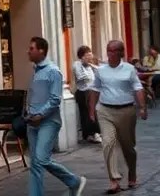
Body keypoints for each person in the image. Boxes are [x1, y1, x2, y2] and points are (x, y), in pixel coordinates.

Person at [25, 36, 87, 196]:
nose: (28, 51)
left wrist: (40, 114)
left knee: (41, 159)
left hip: (48, 122)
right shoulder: (35, 72)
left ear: (41, 51)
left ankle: (74, 181)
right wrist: (28, 113)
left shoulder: (53, 71)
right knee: (35, 164)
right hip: (33, 122)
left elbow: (55, 99)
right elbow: (34, 96)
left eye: (31, 48)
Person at [89, 40, 147, 193]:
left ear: (121, 53)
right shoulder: (101, 70)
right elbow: (94, 90)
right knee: (108, 143)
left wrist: (142, 107)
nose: (111, 54)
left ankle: (132, 174)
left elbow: (138, 87)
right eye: (109, 50)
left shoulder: (129, 69)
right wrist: (92, 110)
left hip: (126, 111)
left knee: (128, 147)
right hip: (105, 110)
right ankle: (114, 180)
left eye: (114, 51)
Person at [72, 45, 102, 143]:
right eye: (87, 55)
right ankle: (92, 133)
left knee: (92, 111)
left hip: (92, 91)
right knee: (87, 113)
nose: (89, 58)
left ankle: (92, 133)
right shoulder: (77, 64)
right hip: (84, 92)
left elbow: (99, 72)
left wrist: (92, 65)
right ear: (82, 56)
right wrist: (86, 65)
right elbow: (81, 77)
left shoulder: (90, 66)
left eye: (90, 55)